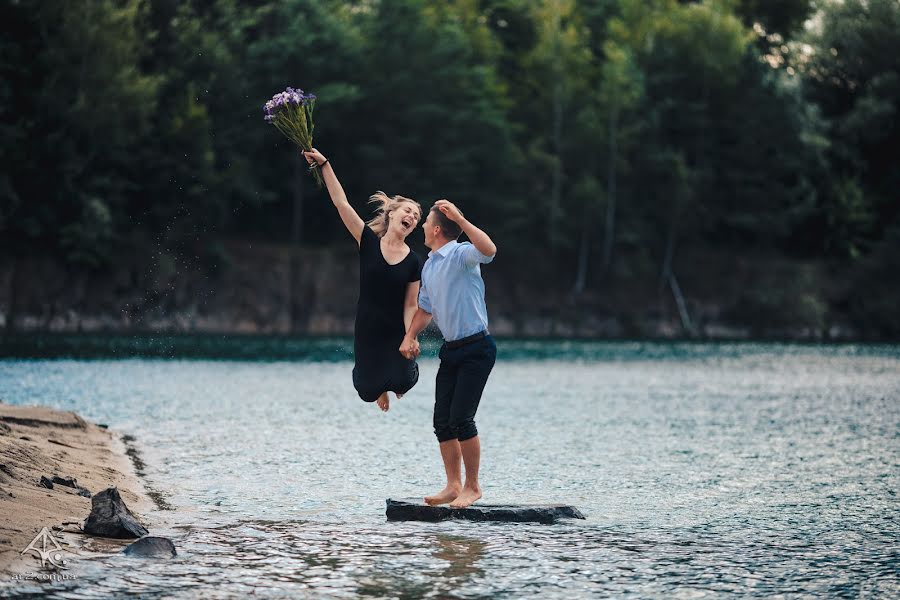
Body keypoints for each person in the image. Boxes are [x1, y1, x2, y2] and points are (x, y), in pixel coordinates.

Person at [303, 148, 423, 412]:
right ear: (392, 214)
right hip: (368, 327)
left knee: (404, 381)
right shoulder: (367, 241)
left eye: (416, 217)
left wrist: (410, 337)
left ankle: (397, 380)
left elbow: (410, 305)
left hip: (396, 330)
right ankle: (380, 388)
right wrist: (325, 163)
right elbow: (341, 203)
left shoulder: (414, 261)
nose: (412, 217)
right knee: (367, 391)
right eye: (408, 211)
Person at [399, 199, 497, 509]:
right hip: (451, 350)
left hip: (477, 348)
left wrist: (462, 219)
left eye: (426, 222)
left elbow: (490, 250)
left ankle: (473, 486)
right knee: (442, 420)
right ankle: (453, 485)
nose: (423, 227)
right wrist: (410, 335)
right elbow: (425, 309)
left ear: (438, 229)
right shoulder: (429, 265)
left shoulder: (461, 254)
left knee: (461, 418)